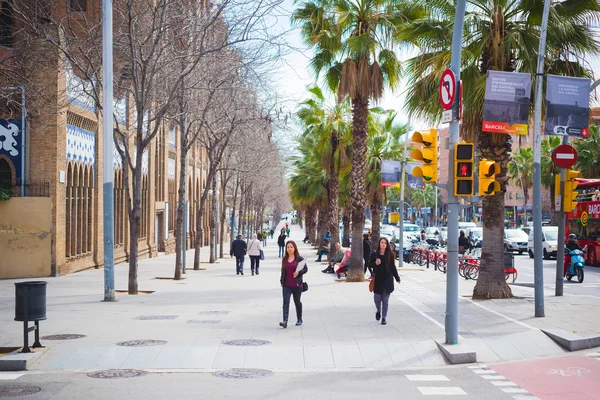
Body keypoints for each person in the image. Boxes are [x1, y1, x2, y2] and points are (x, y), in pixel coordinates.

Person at [370, 237, 400, 325]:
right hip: (378, 280)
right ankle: (378, 310)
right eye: (382, 242)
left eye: (385, 243)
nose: (383, 244)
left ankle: (384, 318)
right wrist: (375, 263)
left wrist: (397, 278)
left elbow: (393, 267)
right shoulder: (375, 254)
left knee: (385, 300)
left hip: (388, 280)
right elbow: (369, 264)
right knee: (377, 299)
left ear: (387, 245)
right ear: (379, 244)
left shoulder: (390, 254)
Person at [279, 240, 308, 328]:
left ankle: (299, 319)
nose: (290, 249)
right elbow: (283, 271)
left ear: (295, 248)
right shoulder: (284, 259)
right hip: (286, 285)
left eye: (291, 247)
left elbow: (306, 269)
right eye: (288, 247)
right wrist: (281, 280)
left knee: (297, 302)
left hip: (297, 285)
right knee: (285, 302)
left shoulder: (299, 259)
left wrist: (298, 273)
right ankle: (285, 320)